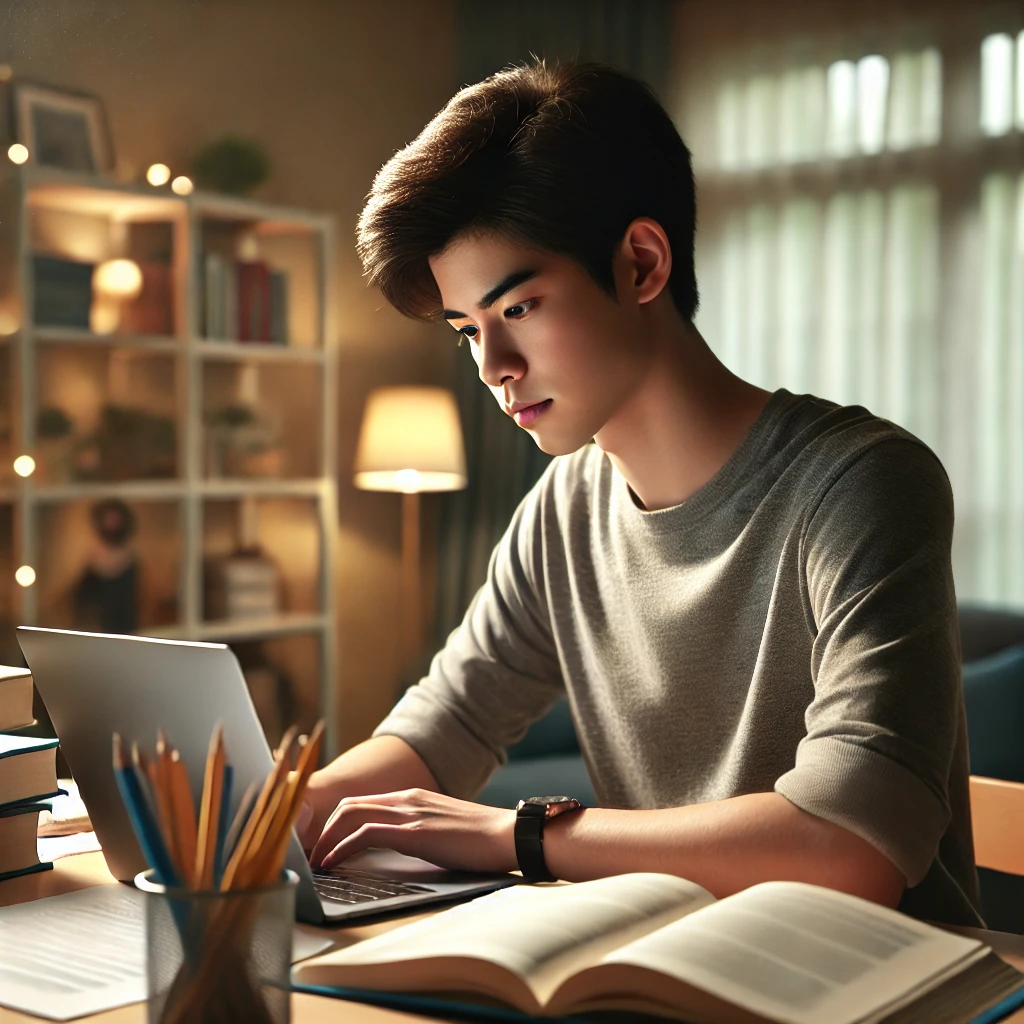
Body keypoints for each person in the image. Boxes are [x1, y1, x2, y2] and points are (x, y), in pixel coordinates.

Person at [299, 58, 981, 926]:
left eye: (519, 309)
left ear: (643, 263)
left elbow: (852, 849)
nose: (493, 369)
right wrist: (280, 819)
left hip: (879, 986)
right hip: (671, 968)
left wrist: (522, 836)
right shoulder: (562, 510)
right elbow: (438, 735)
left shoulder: (860, 483)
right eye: (468, 329)